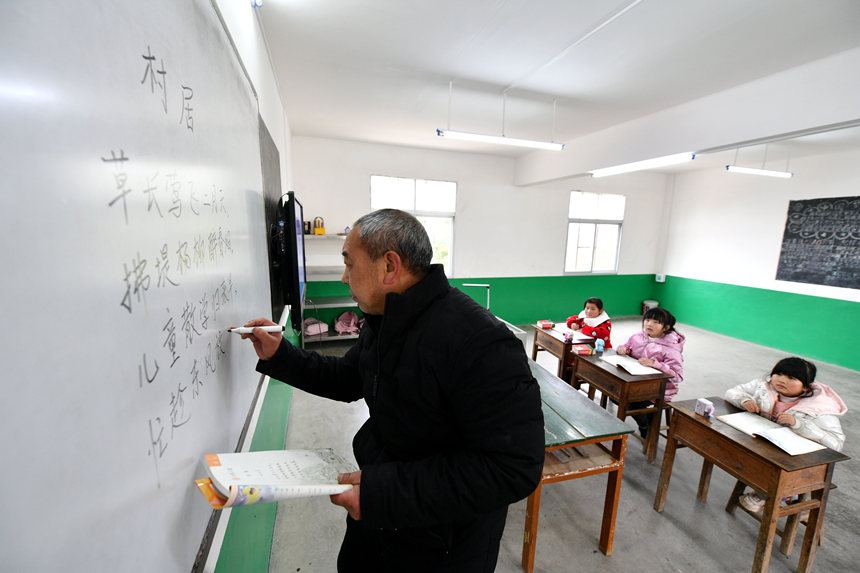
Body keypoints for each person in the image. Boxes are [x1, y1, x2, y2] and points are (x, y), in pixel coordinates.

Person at [238, 209, 545, 572]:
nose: (344, 277)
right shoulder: (385, 320)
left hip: (443, 544)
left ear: (389, 267)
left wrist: (383, 492)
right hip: (378, 516)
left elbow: (512, 467)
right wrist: (280, 355)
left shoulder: (480, 341)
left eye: (349, 264)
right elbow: (349, 377)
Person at [725, 356, 847, 512]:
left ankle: (771, 495)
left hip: (796, 459)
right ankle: (786, 495)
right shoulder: (763, 386)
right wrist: (744, 400)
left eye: (791, 378)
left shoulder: (818, 407)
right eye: (779, 373)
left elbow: (836, 443)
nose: (782, 380)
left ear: (806, 387)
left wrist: (799, 425)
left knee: (779, 470)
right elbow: (732, 392)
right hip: (768, 446)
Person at [616, 307, 685, 437]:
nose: (649, 324)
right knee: (613, 392)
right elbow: (626, 347)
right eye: (647, 320)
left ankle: (645, 426)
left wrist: (655, 364)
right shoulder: (638, 336)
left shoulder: (671, 348)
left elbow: (677, 376)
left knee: (630, 404)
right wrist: (622, 349)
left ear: (666, 327)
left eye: (656, 322)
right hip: (637, 382)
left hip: (658, 389)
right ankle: (646, 418)